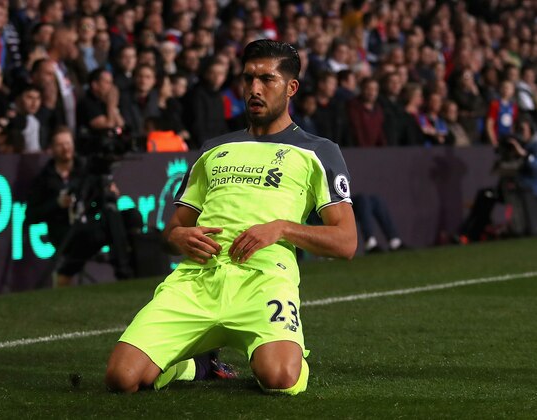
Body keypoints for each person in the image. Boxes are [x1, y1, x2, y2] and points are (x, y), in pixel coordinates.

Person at [104, 40, 357, 395]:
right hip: (197, 279)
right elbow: (173, 228)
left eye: (267, 79)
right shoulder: (213, 149)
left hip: (264, 280)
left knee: (280, 379)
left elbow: (346, 242)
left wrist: (282, 228)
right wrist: (177, 237)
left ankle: (279, 353)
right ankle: (197, 365)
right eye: (248, 79)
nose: (254, 89)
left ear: (291, 87)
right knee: (121, 379)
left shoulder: (318, 151)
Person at [26, 126, 136, 287]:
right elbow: (31, 215)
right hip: (63, 232)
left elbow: (96, 203)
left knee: (131, 216)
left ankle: (135, 267)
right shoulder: (44, 178)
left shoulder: (85, 169)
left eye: (68, 143)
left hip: (89, 224)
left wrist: (109, 192)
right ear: (51, 149)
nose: (66, 148)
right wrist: (57, 204)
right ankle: (121, 272)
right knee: (98, 229)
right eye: (60, 145)